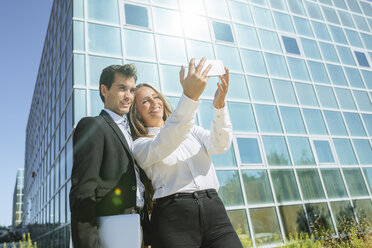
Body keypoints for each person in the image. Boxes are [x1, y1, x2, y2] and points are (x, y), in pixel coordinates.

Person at [129, 58, 243, 248]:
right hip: (174, 218)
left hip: (214, 210)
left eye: (156, 97)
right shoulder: (140, 145)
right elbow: (168, 140)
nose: (154, 103)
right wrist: (190, 97)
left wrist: (219, 106)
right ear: (136, 112)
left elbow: (220, 145)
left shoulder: (191, 130)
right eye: (145, 101)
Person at [69, 64, 152, 248]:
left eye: (131, 90)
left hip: (137, 229)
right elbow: (82, 193)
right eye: (122, 88)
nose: (128, 96)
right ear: (104, 90)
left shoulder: (132, 134)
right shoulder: (93, 126)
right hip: (112, 230)